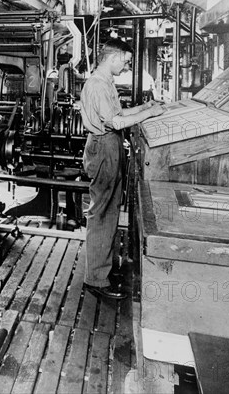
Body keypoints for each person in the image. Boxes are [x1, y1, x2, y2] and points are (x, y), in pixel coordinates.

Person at [80, 39, 164, 300]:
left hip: (110, 145)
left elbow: (119, 113)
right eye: (125, 60)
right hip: (104, 147)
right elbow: (116, 122)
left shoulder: (104, 83)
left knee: (110, 208)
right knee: (102, 212)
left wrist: (146, 108)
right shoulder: (96, 85)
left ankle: (102, 270)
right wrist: (149, 115)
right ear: (113, 57)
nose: (127, 64)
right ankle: (95, 279)